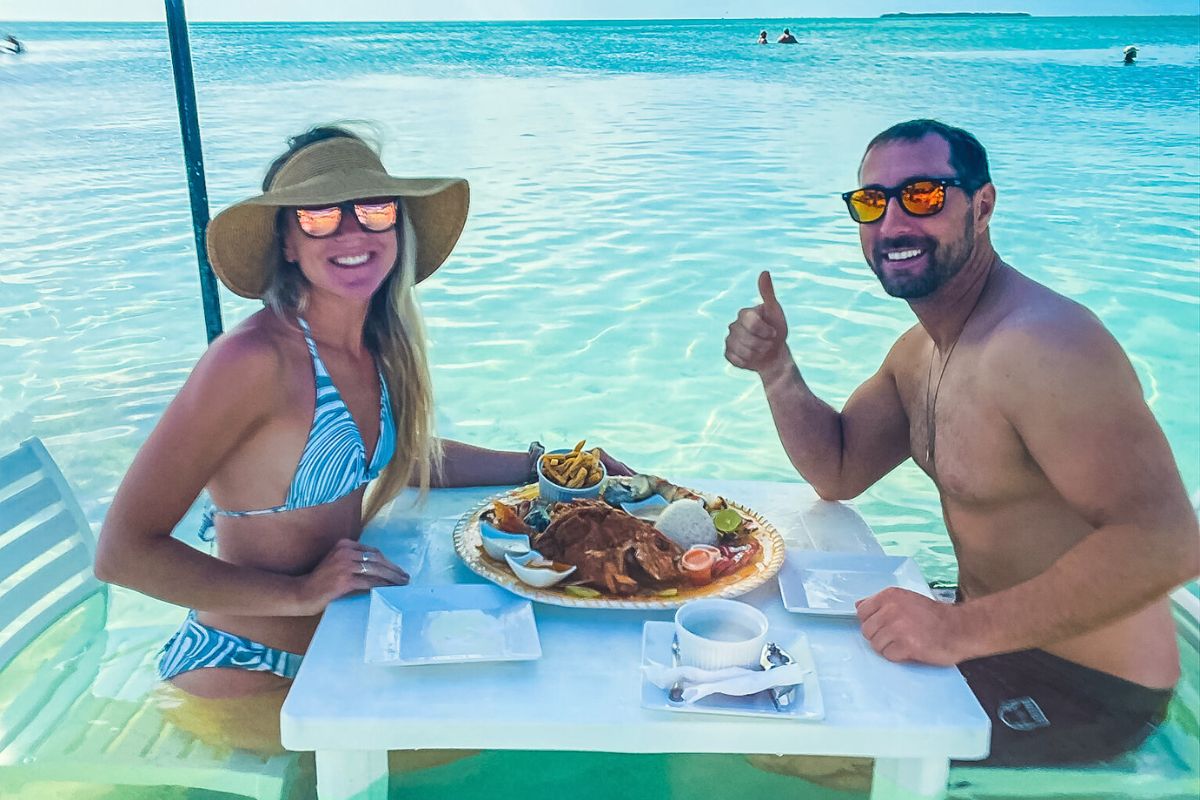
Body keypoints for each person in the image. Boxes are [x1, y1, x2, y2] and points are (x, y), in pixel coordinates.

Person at [95, 125, 629, 751]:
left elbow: (414, 456)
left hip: (337, 643)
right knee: (477, 743)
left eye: (373, 210)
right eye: (319, 216)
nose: (352, 232)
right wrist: (298, 593)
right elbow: (123, 552)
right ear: (288, 244)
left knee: (517, 699)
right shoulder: (252, 360)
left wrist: (554, 469)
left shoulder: (376, 342)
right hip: (245, 669)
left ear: (396, 228)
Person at [726, 119, 1199, 768]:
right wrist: (777, 369)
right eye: (872, 202)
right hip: (983, 635)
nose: (892, 224)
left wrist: (956, 630)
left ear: (983, 205)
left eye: (923, 195)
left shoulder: (1043, 345)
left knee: (757, 744)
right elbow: (838, 469)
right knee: (742, 659)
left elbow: (1169, 542)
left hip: (1086, 690)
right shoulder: (920, 352)